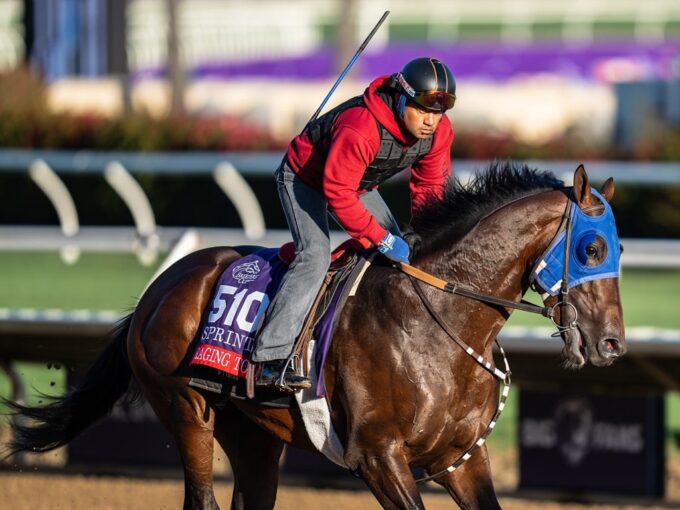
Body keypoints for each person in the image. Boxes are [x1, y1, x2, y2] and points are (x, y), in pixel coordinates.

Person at [253, 57, 457, 390]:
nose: (430, 122)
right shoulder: (360, 126)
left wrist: (427, 234)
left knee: (403, 259)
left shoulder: (439, 133)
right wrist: (381, 238)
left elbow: (430, 188)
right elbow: (337, 194)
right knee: (315, 256)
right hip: (304, 178)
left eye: (438, 113)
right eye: (423, 110)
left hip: (355, 185)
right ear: (402, 99)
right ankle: (269, 360)